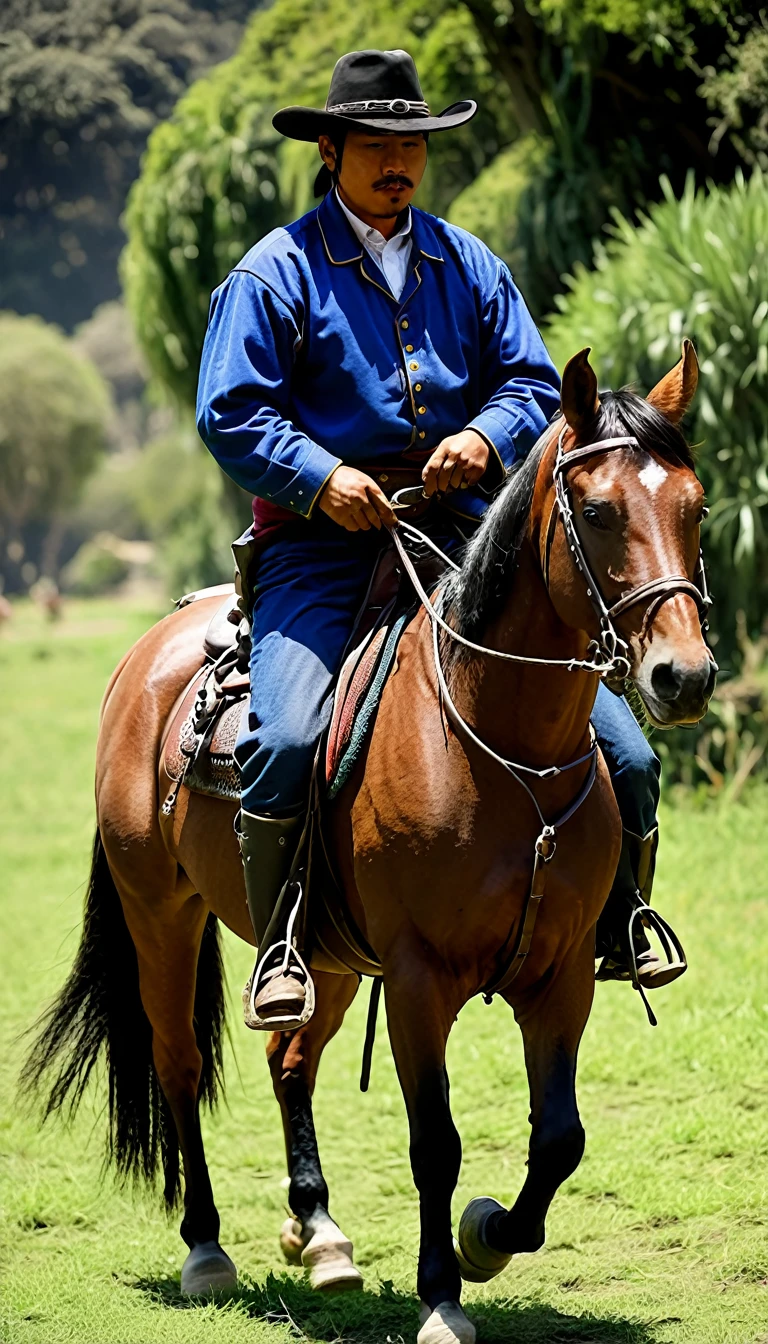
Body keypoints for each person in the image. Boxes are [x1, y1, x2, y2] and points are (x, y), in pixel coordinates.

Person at [197, 48, 683, 1030]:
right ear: (330, 150)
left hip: (469, 541)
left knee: (626, 751)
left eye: (412, 145)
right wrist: (320, 477)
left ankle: (622, 917)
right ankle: (285, 936)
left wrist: (482, 435)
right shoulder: (275, 272)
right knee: (288, 734)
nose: (399, 163)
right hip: (321, 550)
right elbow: (231, 410)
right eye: (377, 144)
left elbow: (535, 388)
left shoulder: (472, 265)